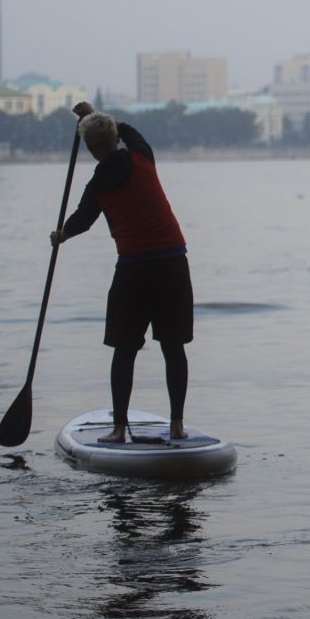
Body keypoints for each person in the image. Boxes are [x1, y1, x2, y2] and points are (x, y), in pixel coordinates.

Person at [51, 102, 194, 443]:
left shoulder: (98, 183)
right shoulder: (143, 157)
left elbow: (82, 221)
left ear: (90, 148)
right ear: (115, 137)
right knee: (173, 347)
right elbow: (131, 133)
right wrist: (94, 114)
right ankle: (177, 424)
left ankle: (118, 429)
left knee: (125, 349)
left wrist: (61, 236)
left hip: (134, 269)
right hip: (173, 263)